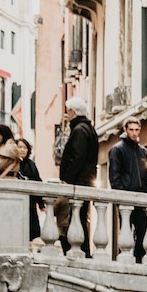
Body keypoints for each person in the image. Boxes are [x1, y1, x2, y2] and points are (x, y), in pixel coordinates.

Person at [107, 117, 147, 261]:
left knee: (143, 230)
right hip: (126, 197)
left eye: (137, 130)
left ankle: (138, 260)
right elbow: (114, 175)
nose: (134, 133)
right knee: (126, 229)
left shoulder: (142, 151)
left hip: (140, 197)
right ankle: (126, 258)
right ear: (125, 130)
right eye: (131, 130)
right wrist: (120, 193)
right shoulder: (117, 150)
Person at [58, 97, 99, 254]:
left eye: (68, 111)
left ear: (73, 112)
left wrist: (67, 179)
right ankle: (84, 251)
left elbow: (77, 157)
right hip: (85, 180)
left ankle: (81, 251)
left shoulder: (79, 130)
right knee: (80, 218)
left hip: (78, 182)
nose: (67, 115)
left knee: (76, 217)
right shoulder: (89, 129)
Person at [10, 138, 44, 243]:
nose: (22, 150)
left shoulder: (31, 165)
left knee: (32, 233)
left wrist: (41, 203)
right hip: (15, 204)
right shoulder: (11, 163)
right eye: (19, 147)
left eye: (24, 148)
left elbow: (38, 183)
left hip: (30, 204)